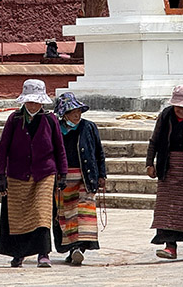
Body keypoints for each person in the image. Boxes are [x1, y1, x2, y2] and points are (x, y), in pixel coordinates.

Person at [0, 79, 67, 269]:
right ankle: (19, 254)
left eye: (36, 101)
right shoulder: (14, 119)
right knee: (18, 216)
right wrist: (0, 175)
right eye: (30, 101)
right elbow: (3, 148)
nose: (33, 105)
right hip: (17, 174)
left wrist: (63, 173)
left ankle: (43, 254)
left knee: (42, 214)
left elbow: (60, 148)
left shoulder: (50, 120)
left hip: (44, 173)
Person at [146, 85, 183, 260]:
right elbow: (155, 140)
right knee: (167, 209)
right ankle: (170, 246)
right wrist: (150, 163)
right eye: (179, 106)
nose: (181, 110)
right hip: (169, 167)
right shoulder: (165, 116)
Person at [52, 92, 106, 266]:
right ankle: (72, 249)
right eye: (72, 111)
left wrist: (102, 175)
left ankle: (79, 249)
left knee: (83, 214)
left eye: (78, 111)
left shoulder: (89, 127)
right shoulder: (56, 130)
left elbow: (99, 153)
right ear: (64, 114)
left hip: (86, 178)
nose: (76, 115)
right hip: (63, 179)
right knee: (66, 215)